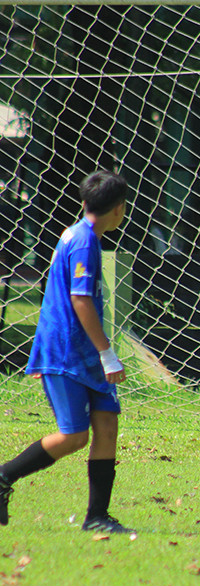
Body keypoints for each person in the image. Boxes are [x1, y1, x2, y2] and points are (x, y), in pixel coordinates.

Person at [0, 170, 132, 534]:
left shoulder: (82, 235)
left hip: (85, 351)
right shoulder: (83, 242)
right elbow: (80, 299)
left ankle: (97, 516)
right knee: (74, 436)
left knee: (106, 424)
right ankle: (4, 476)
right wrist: (107, 353)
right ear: (119, 209)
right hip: (67, 351)